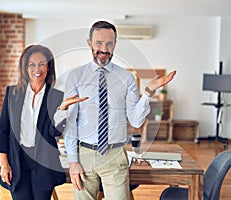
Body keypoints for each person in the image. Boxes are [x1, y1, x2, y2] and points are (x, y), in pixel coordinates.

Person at [63, 21, 176, 200]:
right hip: (83, 155)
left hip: (114, 155)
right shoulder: (75, 76)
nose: (104, 48)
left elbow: (136, 121)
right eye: (99, 43)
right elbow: (70, 121)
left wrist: (148, 93)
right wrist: (73, 161)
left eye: (109, 43)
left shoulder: (126, 78)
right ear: (89, 43)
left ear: (115, 45)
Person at [0, 44, 87, 200]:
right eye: (32, 64)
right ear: (25, 67)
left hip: (44, 163)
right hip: (18, 161)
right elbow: (3, 130)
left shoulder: (57, 97)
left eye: (42, 64)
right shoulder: (13, 93)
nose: (37, 69)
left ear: (49, 67)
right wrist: (4, 163)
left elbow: (54, 132)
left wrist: (62, 110)